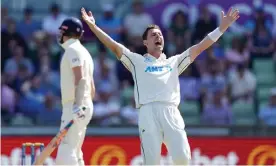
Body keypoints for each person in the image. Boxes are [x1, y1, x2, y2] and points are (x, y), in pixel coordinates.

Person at [81, 7, 239, 165]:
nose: (158, 36)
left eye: (160, 34)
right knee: (151, 162)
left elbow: (200, 46)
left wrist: (222, 28)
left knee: (183, 158)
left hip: (171, 111)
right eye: (153, 34)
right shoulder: (137, 61)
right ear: (145, 42)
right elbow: (114, 46)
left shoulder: (174, 61)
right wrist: (93, 27)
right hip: (147, 113)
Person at [55, 17, 95, 165]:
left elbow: (81, 78)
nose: (59, 35)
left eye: (61, 31)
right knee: (76, 150)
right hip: (84, 104)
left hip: (75, 105)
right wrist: (85, 105)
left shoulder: (72, 50)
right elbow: (92, 86)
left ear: (66, 32)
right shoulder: (85, 52)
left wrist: (78, 105)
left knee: (67, 148)